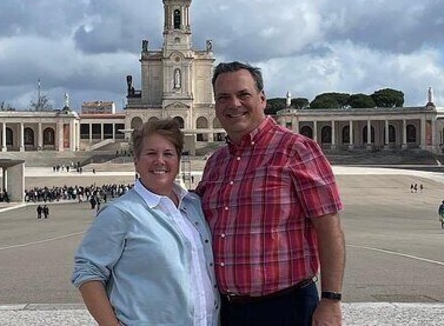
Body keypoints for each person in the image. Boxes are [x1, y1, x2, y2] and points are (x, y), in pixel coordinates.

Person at [196, 61, 345, 326]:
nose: (234, 104)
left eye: (243, 95)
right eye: (223, 97)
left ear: (262, 99)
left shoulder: (297, 149)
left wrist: (331, 300)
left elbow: (328, 227)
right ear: (216, 106)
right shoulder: (216, 163)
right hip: (227, 310)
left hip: (288, 307)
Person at [73, 118, 218, 326]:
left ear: (178, 159)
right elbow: (87, 272)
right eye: (151, 153)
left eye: (168, 154)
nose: (160, 161)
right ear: (136, 161)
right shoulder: (120, 213)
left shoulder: (194, 206)